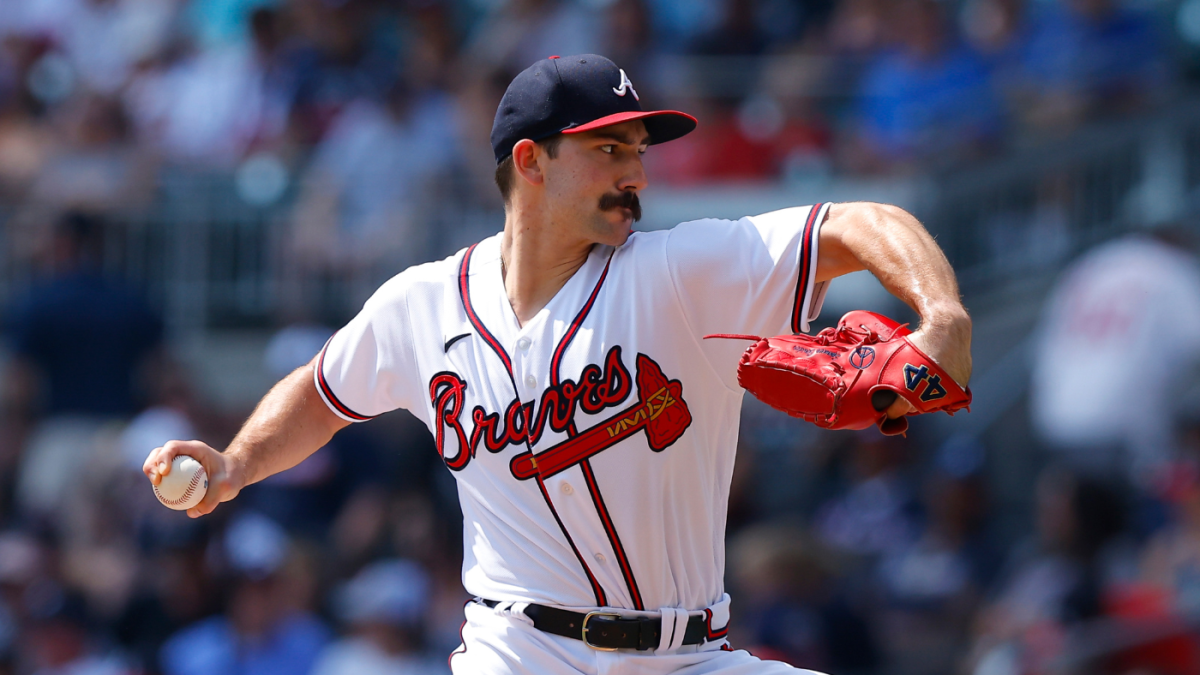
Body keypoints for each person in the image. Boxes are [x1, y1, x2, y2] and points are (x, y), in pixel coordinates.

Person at [145, 54, 972, 674]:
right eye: (608, 150)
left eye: (638, 150)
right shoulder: (421, 304)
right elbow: (324, 392)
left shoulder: (680, 271)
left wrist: (942, 315)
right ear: (531, 161)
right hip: (524, 651)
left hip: (691, 655)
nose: (637, 173)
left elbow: (862, 221)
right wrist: (236, 462)